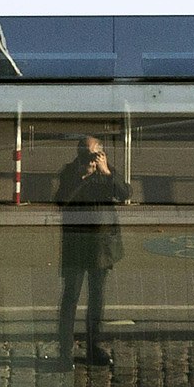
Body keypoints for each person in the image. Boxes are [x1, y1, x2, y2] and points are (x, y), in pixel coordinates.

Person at [53, 135, 131, 365]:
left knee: (97, 297)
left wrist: (107, 173)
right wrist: (82, 176)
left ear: (101, 153)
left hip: (101, 243)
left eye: (93, 154)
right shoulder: (70, 172)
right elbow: (61, 201)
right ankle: (65, 350)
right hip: (77, 241)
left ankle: (93, 346)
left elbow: (125, 194)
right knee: (71, 296)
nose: (89, 158)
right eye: (84, 153)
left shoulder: (107, 171)